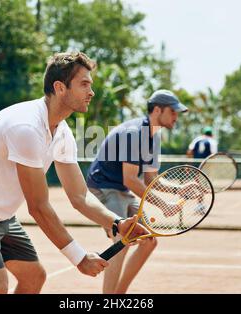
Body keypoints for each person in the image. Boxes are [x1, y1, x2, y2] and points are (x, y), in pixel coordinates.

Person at [0, 52, 147, 294]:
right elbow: (37, 207)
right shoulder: (26, 127)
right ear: (60, 88)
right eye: (84, 84)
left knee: (34, 277)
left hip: (0, 214)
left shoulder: (61, 131)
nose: (91, 92)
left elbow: (79, 196)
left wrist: (117, 223)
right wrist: (79, 258)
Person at [86, 89, 188, 294]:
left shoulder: (153, 136)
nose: (176, 117)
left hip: (120, 189)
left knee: (149, 240)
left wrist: (181, 189)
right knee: (122, 240)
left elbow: (151, 180)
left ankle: (119, 294)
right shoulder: (135, 133)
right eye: (173, 111)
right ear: (157, 110)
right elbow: (131, 179)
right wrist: (163, 205)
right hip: (103, 188)